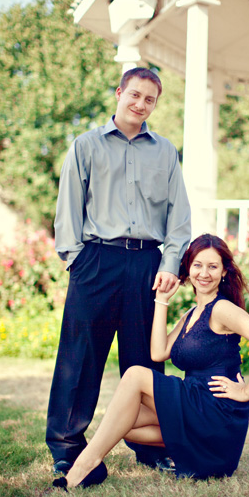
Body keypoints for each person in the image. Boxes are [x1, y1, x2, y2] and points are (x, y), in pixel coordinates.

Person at [52, 234, 249, 489]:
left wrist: (246, 391)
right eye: (197, 265)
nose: (204, 273)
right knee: (126, 425)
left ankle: (83, 469)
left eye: (212, 266)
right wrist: (162, 299)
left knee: (134, 375)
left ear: (224, 272)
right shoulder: (191, 314)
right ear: (188, 268)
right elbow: (158, 352)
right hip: (198, 405)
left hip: (216, 409)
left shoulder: (222, 309)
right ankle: (192, 449)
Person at [47, 67, 191, 475]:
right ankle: (66, 447)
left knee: (144, 361)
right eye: (135, 95)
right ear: (119, 93)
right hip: (95, 261)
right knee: (79, 359)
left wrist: (169, 265)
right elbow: (68, 208)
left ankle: (148, 447)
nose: (140, 104)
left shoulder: (165, 152)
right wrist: (75, 260)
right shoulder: (86, 145)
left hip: (146, 265)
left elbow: (179, 217)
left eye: (149, 99)